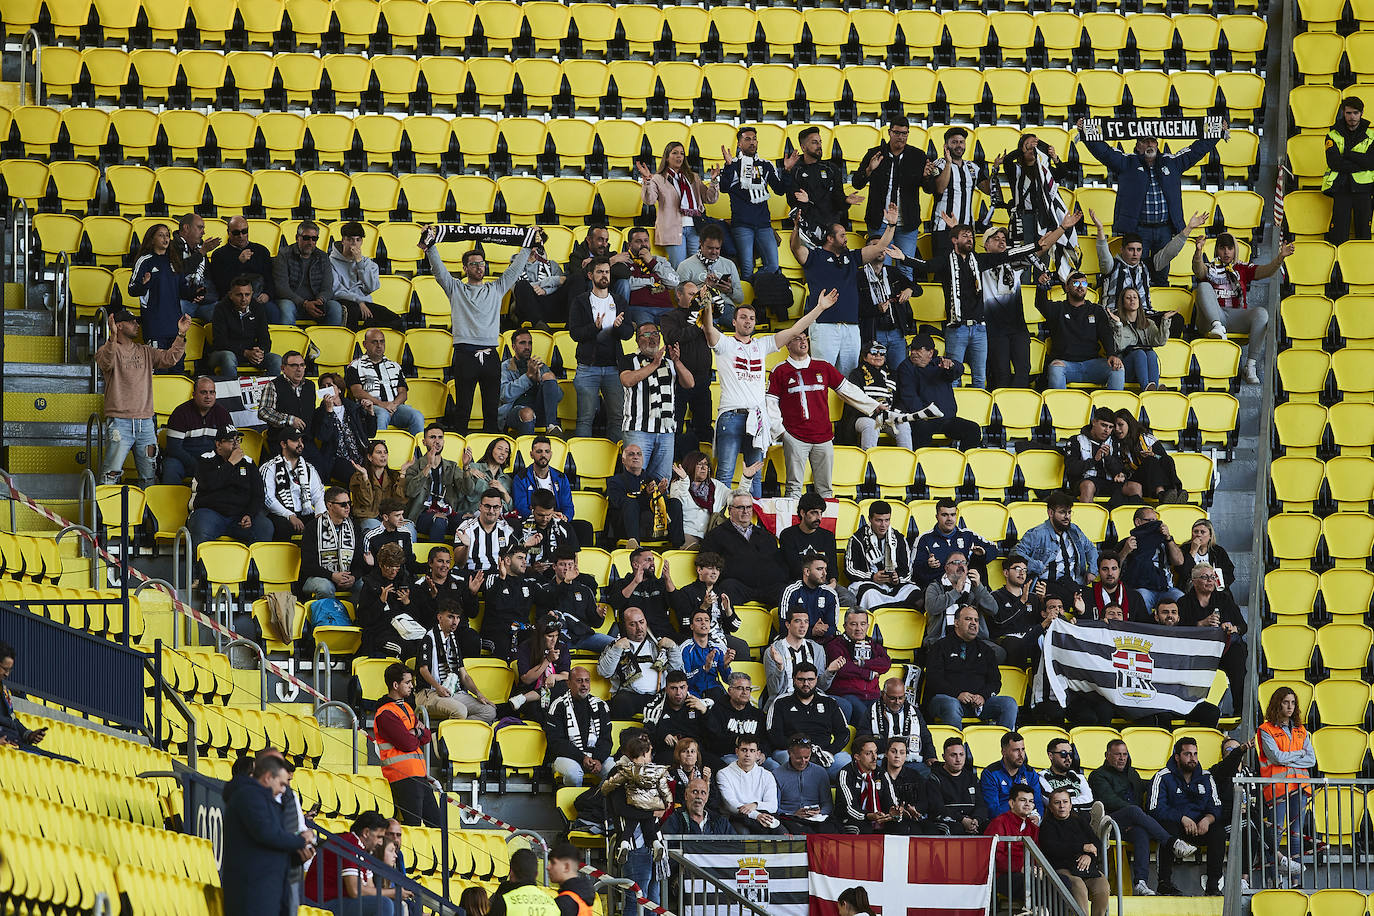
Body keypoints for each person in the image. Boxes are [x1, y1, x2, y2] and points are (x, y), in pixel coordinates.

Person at [909, 212, 1079, 389]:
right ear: (986, 244)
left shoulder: (1015, 265)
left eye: (1004, 238)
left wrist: (1062, 228)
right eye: (996, 238)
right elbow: (963, 253)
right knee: (1000, 376)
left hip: (1018, 328)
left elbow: (1041, 247)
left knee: (1023, 372)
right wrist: (955, 230)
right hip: (993, 330)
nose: (1002, 241)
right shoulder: (978, 265)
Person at [705, 293, 839, 498]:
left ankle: (755, 525)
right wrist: (706, 306)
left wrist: (820, 308)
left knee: (755, 475)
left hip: (757, 419)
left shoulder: (762, 344)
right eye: (743, 317)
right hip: (731, 415)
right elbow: (708, 329)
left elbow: (795, 330)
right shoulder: (725, 343)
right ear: (734, 321)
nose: (747, 321)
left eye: (751, 318)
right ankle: (720, 523)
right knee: (725, 473)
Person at [420, 229, 531, 433]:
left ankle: (491, 452)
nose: (479, 267)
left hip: (490, 355)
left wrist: (528, 245)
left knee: (491, 409)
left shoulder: (496, 288)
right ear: (465, 268)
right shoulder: (456, 289)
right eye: (474, 264)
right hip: (465, 355)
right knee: (463, 409)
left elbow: (514, 271)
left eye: (481, 263)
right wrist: (430, 246)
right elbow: (439, 271)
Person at [1077, 120, 1225, 272]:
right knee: (1133, 270)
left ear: (1157, 144)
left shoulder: (1172, 162)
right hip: (1137, 229)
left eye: (1152, 141)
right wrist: (1086, 132)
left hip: (1165, 229)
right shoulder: (1127, 162)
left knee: (1161, 273)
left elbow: (1196, 150)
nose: (1149, 145)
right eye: (1144, 141)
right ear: (1137, 145)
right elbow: (1105, 152)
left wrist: (1216, 132)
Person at [789, 202, 900, 376]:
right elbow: (796, 248)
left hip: (851, 327)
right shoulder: (815, 256)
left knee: (849, 379)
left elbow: (879, 247)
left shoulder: (853, 257)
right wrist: (796, 228)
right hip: (824, 325)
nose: (846, 238)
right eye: (842, 235)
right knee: (822, 376)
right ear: (830, 238)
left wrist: (891, 225)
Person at [767, 330, 882, 497]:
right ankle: (793, 522)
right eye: (797, 339)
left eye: (805, 338)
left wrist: (873, 404)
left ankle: (824, 523)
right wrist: (781, 433)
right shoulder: (780, 370)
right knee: (793, 488)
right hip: (795, 436)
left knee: (826, 489)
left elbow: (847, 390)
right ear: (787, 344)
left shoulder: (823, 366)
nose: (803, 342)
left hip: (824, 437)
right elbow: (770, 403)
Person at [97, 309, 189, 486]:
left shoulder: (146, 351)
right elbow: (105, 362)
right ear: (119, 325)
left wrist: (181, 334)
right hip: (119, 422)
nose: (136, 325)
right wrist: (112, 338)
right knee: (111, 474)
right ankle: (104, 513)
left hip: (145, 422)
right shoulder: (107, 349)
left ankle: (146, 512)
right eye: (132, 322)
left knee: (149, 476)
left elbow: (170, 359)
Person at [1192, 232, 1292, 384]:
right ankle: (1217, 327)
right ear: (1216, 250)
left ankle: (1250, 366)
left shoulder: (1242, 268)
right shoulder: (1210, 267)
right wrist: (1198, 251)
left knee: (1262, 313)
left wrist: (1280, 258)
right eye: (1222, 248)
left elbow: (1266, 271)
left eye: (1230, 248)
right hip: (1211, 320)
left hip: (1235, 316)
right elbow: (1198, 271)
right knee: (1203, 285)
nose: (1226, 252)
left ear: (1235, 250)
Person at [222, 754, 313, 916]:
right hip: (253, 892)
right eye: (282, 784)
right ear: (268, 777)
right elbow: (267, 834)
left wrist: (295, 858)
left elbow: (266, 848)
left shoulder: (264, 800)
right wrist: (300, 841)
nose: (284, 790)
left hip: (268, 889)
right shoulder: (249, 797)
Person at [1088, 738, 1174, 897]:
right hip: (1108, 825)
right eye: (1117, 754)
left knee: (1141, 832)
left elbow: (1147, 788)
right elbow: (1109, 800)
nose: (1122, 758)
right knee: (1134, 811)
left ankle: (1140, 882)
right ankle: (1170, 842)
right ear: (1107, 755)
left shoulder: (1132, 773)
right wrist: (1133, 815)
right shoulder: (1097, 775)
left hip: (1131, 824)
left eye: (1125, 754)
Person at [851, 116, 933, 272]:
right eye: (897, 132)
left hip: (907, 223)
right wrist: (869, 169)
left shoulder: (918, 156)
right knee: (880, 267)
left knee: (906, 268)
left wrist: (926, 177)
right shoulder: (874, 153)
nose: (901, 137)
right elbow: (856, 183)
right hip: (879, 221)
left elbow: (929, 189)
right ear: (889, 132)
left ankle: (904, 298)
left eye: (904, 133)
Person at [1090, 208, 1205, 315]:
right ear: (1122, 249)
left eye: (1138, 250)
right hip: (1116, 315)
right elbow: (1103, 253)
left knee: (1176, 319)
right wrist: (1100, 229)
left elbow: (1169, 252)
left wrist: (1188, 228)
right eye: (1131, 249)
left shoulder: (1147, 265)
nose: (1135, 254)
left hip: (1144, 316)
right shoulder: (1112, 266)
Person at [1148, 737, 1225, 895]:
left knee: (1218, 831)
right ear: (1177, 757)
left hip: (1200, 828)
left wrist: (1207, 819)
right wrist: (1181, 818)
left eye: (1195, 754)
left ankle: (1213, 886)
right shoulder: (1163, 776)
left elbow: (1216, 806)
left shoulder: (1206, 777)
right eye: (1188, 754)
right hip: (1176, 828)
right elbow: (1154, 808)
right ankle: (1165, 884)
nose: (1193, 758)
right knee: (1166, 828)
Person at [569, 256, 635, 439]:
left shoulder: (620, 300)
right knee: (585, 418)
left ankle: (614, 463)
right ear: (590, 275)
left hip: (615, 368)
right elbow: (575, 334)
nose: (604, 275)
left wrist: (618, 327)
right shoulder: (580, 301)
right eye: (600, 272)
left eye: (607, 271)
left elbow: (628, 333)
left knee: (618, 417)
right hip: (587, 367)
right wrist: (594, 327)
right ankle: (584, 464)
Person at [620, 322, 694, 483]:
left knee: (663, 481)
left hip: (666, 431)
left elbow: (690, 383)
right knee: (635, 478)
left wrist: (678, 362)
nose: (652, 338)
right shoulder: (630, 359)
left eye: (655, 334)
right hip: (638, 429)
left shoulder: (670, 362)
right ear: (637, 340)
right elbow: (627, 380)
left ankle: (659, 508)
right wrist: (654, 364)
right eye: (646, 335)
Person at [926, 605, 1018, 729]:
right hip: (947, 700)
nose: (973, 623)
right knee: (952, 705)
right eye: (968, 619)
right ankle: (956, 747)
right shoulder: (940, 646)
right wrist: (957, 694)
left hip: (978, 704)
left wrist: (983, 696)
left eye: (976, 620)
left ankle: (1006, 746)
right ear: (956, 622)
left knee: (1009, 703)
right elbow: (933, 679)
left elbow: (995, 682)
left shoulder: (986, 650)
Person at [721, 127, 793, 279]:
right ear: (739, 144)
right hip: (742, 225)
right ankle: (749, 300)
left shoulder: (766, 165)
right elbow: (724, 188)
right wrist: (727, 167)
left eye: (754, 139)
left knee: (773, 265)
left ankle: (756, 288)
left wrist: (786, 171)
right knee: (747, 268)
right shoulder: (732, 164)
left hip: (764, 225)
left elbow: (780, 190)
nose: (752, 142)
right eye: (747, 139)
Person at [373, 662, 439, 827]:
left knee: (438, 826)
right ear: (395, 685)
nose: (412, 686)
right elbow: (407, 743)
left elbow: (427, 736)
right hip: (403, 777)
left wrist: (415, 733)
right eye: (408, 683)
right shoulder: (385, 714)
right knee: (413, 826)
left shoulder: (407, 708)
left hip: (418, 775)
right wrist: (417, 733)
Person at [188, 424, 274, 548]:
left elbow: (258, 495)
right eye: (231, 441)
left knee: (265, 527)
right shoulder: (205, 459)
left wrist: (249, 514)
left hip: (240, 517)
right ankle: (202, 567)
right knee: (201, 524)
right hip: (211, 513)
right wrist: (231, 463)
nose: (236, 444)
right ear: (218, 444)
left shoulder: (248, 463)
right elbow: (210, 484)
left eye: (237, 440)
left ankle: (253, 567)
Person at [638, 141, 720, 268]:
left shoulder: (693, 177)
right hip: (672, 230)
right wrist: (647, 182)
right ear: (666, 157)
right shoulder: (658, 178)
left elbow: (709, 198)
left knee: (697, 267)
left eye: (682, 153)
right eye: (675, 153)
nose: (679, 156)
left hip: (694, 229)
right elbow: (649, 200)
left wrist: (714, 181)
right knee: (679, 267)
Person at [1178, 563, 1248, 711]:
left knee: (1238, 658)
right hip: (1196, 651)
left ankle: (1240, 710)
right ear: (1194, 581)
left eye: (1212, 577)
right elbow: (1179, 631)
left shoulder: (1224, 598)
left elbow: (1243, 626)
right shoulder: (1183, 603)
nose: (1210, 581)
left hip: (1224, 649)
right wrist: (1201, 624)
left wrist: (1232, 628)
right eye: (1205, 577)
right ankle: (1190, 709)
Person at [699, 490, 788, 605]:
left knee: (786, 591)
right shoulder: (716, 535)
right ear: (730, 510)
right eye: (740, 507)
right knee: (727, 588)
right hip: (737, 588)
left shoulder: (767, 537)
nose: (746, 511)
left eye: (749, 507)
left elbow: (779, 565)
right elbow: (706, 563)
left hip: (767, 588)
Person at [1039, 272, 1124, 391]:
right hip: (1066, 365)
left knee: (1118, 367)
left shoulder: (1096, 310)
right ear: (1067, 287)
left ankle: (1112, 408)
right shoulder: (1058, 308)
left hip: (1092, 364)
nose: (1080, 286)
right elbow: (1041, 305)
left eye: (1084, 283)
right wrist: (1041, 287)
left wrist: (1112, 354)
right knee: (1055, 368)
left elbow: (1106, 334)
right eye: (1075, 283)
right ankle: (1058, 408)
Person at [896, 333, 982, 448]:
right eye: (912, 349)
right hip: (923, 419)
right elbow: (909, 397)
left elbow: (958, 369)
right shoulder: (905, 367)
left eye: (918, 350)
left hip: (947, 419)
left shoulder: (940, 363)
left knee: (973, 429)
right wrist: (924, 414)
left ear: (930, 352)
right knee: (922, 430)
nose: (913, 353)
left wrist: (951, 366)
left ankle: (962, 463)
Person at [659, 282, 715, 455]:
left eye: (697, 294)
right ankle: (673, 465)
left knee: (704, 425)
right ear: (679, 294)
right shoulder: (669, 317)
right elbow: (674, 337)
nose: (695, 298)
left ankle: (703, 466)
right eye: (691, 294)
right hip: (678, 380)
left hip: (703, 379)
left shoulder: (704, 315)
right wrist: (697, 326)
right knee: (675, 423)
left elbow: (713, 335)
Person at [415, 604, 497, 723]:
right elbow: (423, 670)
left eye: (458, 618)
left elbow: (463, 675)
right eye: (451, 617)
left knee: (489, 711)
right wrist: (438, 687)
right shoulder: (429, 638)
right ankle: (444, 737)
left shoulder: (453, 640)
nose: (455, 622)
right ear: (439, 617)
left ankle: (453, 730)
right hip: (429, 692)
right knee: (460, 711)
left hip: (452, 692)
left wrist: (479, 694)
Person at [766, 663, 852, 777]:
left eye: (810, 679)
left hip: (824, 752)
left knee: (845, 762)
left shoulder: (829, 702)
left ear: (816, 679)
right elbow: (773, 733)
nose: (806, 684)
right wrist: (800, 750)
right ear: (794, 680)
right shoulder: (781, 702)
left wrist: (829, 751)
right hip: (790, 752)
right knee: (792, 761)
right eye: (801, 680)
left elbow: (844, 732)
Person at [599, 606, 684, 718]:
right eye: (633, 624)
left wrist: (673, 648)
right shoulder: (614, 645)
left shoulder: (657, 644)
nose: (639, 628)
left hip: (658, 696)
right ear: (624, 626)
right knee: (621, 702)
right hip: (630, 696)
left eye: (641, 622)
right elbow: (604, 672)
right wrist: (617, 648)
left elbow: (676, 672)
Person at [600, 732, 673, 863]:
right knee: (638, 884)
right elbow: (621, 808)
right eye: (649, 751)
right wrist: (654, 812)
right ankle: (626, 845)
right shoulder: (619, 771)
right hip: (636, 849)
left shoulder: (649, 770)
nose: (651, 755)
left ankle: (655, 844)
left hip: (649, 847)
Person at [1016, 491, 1099, 605]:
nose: (1067, 517)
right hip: (1048, 584)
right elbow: (1016, 553)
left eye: (1069, 512)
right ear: (1050, 513)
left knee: (1096, 599)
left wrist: (1092, 571)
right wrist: (1037, 566)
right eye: (1062, 512)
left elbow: (1091, 548)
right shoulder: (1037, 533)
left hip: (1073, 583)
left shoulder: (1074, 530)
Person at [1000, 133, 1077, 255]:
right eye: (1028, 146)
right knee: (1024, 256)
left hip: (1042, 217)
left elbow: (1062, 173)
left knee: (1042, 254)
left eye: (1034, 146)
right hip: (1024, 217)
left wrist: (1053, 156)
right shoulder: (1015, 170)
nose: (1032, 149)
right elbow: (1008, 160)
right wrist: (1023, 149)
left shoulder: (1044, 170)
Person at [786, 124, 862, 247]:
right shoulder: (796, 170)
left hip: (831, 230)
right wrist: (805, 203)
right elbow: (792, 202)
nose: (819, 145)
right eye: (815, 142)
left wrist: (846, 201)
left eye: (820, 142)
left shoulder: (831, 169)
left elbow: (839, 201)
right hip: (808, 230)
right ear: (803, 147)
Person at [129, 223, 199, 352]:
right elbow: (132, 290)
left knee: (177, 368)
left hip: (175, 325)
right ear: (151, 239)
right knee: (158, 368)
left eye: (167, 235)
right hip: (155, 324)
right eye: (161, 235)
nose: (165, 239)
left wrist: (195, 293)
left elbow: (183, 290)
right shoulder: (144, 261)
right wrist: (144, 284)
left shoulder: (174, 261)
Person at [477, 543, 553, 660]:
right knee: (504, 644)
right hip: (495, 633)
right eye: (520, 558)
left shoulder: (528, 582)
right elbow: (495, 604)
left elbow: (548, 600)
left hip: (521, 630)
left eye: (525, 558)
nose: (525, 562)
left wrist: (564, 583)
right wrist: (502, 579)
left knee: (541, 639)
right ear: (507, 560)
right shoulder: (493, 578)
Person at [1040, 788, 1110, 916]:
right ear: (1050, 807)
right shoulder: (1047, 825)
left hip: (1086, 868)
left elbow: (1096, 844)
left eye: (1065, 802)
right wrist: (1082, 847)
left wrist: (1089, 856)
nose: (1062, 806)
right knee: (1078, 885)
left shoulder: (1079, 821)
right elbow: (1053, 848)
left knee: (1102, 886)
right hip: (1062, 868)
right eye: (1057, 802)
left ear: (1071, 805)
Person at [927, 126, 991, 260]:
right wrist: (949, 164)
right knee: (945, 270)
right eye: (954, 142)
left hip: (967, 229)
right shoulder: (938, 164)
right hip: (943, 229)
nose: (959, 145)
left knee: (966, 271)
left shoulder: (972, 167)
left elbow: (988, 190)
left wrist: (995, 170)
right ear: (946, 145)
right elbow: (939, 188)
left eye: (961, 142)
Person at [670, 552, 748, 660]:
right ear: (699, 570)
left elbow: (735, 627)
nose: (714, 572)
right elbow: (685, 625)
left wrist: (728, 610)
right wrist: (703, 608)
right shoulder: (687, 592)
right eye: (710, 568)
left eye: (717, 569)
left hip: (720, 637)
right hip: (697, 638)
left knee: (742, 647)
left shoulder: (722, 594)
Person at [544, 666, 614, 787]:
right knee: (573, 773)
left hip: (595, 757)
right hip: (567, 757)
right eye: (579, 680)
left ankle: (598, 801)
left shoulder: (601, 705)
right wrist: (582, 757)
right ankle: (573, 804)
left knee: (614, 771)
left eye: (587, 680)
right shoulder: (558, 706)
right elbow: (556, 742)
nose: (584, 685)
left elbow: (606, 739)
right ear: (569, 683)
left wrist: (598, 759)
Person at [846, 500, 921, 611]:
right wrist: (873, 577)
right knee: (870, 594)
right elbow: (850, 569)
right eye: (879, 520)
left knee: (917, 594)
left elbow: (907, 570)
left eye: (887, 520)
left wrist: (897, 578)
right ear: (870, 519)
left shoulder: (899, 538)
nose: (883, 525)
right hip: (869, 583)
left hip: (895, 585)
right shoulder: (857, 539)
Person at [347, 329, 423, 436]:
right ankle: (378, 450)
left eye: (382, 341)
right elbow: (357, 392)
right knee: (382, 414)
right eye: (374, 342)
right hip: (369, 408)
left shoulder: (395, 366)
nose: (379, 345)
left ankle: (418, 451)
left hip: (394, 407)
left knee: (417, 415)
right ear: (365, 344)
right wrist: (382, 404)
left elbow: (403, 392)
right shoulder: (355, 366)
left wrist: (393, 405)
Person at [607, 444, 682, 550]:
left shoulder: (652, 479)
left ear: (642, 459)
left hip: (653, 524)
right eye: (631, 454)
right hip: (626, 527)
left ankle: (677, 546)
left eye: (639, 454)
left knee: (674, 502)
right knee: (630, 502)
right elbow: (618, 503)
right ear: (623, 461)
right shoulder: (615, 481)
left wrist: (659, 494)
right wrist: (645, 495)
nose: (635, 457)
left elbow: (662, 505)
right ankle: (634, 545)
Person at [825, 608, 892, 723]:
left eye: (862, 624)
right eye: (853, 624)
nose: (859, 629)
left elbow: (886, 663)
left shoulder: (874, 645)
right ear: (845, 626)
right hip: (847, 696)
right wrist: (868, 673)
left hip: (873, 696)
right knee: (868, 719)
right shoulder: (835, 645)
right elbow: (843, 669)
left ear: (867, 626)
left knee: (890, 718)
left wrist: (863, 663)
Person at [668, 451, 746, 549]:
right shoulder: (678, 483)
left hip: (710, 535)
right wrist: (684, 480)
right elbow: (678, 503)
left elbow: (737, 499)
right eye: (699, 464)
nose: (704, 468)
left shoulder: (716, 485)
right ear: (690, 465)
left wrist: (746, 479)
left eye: (706, 464)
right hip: (686, 534)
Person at [162, 376, 232, 484]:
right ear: (194, 394)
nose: (208, 396)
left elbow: (229, 445)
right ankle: (169, 500)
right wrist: (197, 465)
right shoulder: (180, 413)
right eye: (203, 392)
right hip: (185, 461)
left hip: (212, 461)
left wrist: (212, 462)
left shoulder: (222, 413)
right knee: (171, 466)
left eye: (212, 392)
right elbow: (174, 448)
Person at [330, 222, 399, 331]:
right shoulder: (330, 262)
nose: (354, 244)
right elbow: (336, 290)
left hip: (365, 303)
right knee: (353, 311)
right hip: (344, 302)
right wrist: (358, 301)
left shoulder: (367, 263)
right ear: (343, 240)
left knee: (395, 320)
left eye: (358, 240)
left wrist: (359, 263)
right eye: (350, 240)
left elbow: (372, 287)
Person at [208, 275, 279, 380]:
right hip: (223, 353)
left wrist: (260, 351)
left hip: (250, 353)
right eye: (239, 295)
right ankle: (232, 394)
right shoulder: (220, 309)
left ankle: (270, 393)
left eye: (247, 295)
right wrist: (245, 352)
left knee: (276, 359)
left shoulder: (258, 308)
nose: (244, 299)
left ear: (252, 294)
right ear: (230, 295)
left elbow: (265, 339)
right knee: (229, 357)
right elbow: (220, 342)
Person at [911, 499, 996, 588]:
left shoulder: (967, 535)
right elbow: (914, 570)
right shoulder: (924, 539)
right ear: (937, 517)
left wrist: (983, 553)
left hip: (966, 586)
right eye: (944, 515)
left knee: (978, 561)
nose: (949, 519)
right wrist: (928, 566)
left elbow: (993, 548)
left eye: (952, 514)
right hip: (939, 589)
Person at [262, 428, 327, 541]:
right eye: (295, 441)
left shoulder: (309, 468)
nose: (300, 444)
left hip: (304, 513)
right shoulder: (270, 467)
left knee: (323, 526)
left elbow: (318, 495)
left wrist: (320, 514)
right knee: (283, 527)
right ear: (283, 444)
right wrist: (289, 515)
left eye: (301, 440)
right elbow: (268, 498)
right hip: (280, 514)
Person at [701, 671, 773, 772]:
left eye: (748, 689)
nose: (744, 692)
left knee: (774, 766)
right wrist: (737, 743)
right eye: (740, 688)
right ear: (730, 691)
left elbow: (766, 739)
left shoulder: (757, 714)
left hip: (754, 756)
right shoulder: (718, 711)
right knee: (738, 769)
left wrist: (764, 753)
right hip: (730, 756)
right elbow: (713, 742)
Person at [765, 605, 834, 710]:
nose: (803, 625)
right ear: (788, 624)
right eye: (798, 621)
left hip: (812, 699)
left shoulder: (817, 649)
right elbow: (774, 690)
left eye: (806, 622)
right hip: (784, 700)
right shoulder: (774, 651)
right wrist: (780, 667)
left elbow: (821, 686)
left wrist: (829, 672)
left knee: (842, 706)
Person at [675, 223, 744, 328]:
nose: (714, 252)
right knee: (707, 333)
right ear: (700, 244)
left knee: (745, 328)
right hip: (700, 308)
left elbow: (740, 298)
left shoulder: (729, 264)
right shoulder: (685, 265)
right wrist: (705, 288)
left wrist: (729, 290)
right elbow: (679, 298)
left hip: (725, 307)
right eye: (710, 248)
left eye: (717, 248)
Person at [1325, 96, 1374, 243]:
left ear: (1361, 113)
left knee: (1364, 233)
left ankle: (1363, 265)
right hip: (1341, 188)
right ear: (1343, 113)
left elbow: (1371, 163)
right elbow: (1334, 163)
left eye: (1356, 113)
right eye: (1348, 113)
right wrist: (1360, 161)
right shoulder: (1332, 134)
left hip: (1364, 190)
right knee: (1338, 234)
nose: (1352, 116)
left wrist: (1347, 154)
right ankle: (1339, 265)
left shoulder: (1371, 136)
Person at [357, 543, 420, 657]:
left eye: (397, 567)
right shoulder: (370, 584)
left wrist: (407, 603)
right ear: (381, 564)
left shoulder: (403, 581)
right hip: (380, 633)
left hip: (405, 629)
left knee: (424, 644)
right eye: (389, 566)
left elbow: (417, 616)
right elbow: (364, 620)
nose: (393, 571)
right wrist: (380, 602)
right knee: (404, 648)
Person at [923, 552, 998, 647]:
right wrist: (956, 591)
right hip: (942, 640)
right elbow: (932, 608)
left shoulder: (975, 587)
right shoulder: (935, 587)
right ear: (946, 568)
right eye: (956, 562)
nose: (961, 565)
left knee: (999, 653)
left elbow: (993, 609)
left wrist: (979, 587)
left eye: (964, 562)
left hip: (975, 641)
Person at [398, 425, 460, 541]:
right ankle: (438, 557)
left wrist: (467, 469)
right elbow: (411, 492)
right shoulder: (414, 466)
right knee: (439, 521)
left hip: (447, 512)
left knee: (465, 521)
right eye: (432, 437)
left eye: (440, 437)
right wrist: (428, 467)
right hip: (421, 515)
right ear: (424, 442)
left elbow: (467, 490)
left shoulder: (452, 466)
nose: (437, 441)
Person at [498, 329, 563, 437]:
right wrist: (528, 377)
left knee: (548, 376)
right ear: (513, 347)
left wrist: (540, 382)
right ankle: (527, 447)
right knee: (527, 413)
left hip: (540, 411)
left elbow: (559, 396)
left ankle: (551, 426)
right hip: (514, 412)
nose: (527, 347)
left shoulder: (540, 366)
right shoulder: (505, 366)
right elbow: (504, 395)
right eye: (522, 343)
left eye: (530, 343)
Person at [299, 486, 361, 600]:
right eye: (343, 504)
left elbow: (359, 560)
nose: (347, 507)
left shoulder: (354, 527)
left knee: (363, 584)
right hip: (318, 578)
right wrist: (332, 576)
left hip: (347, 577)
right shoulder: (313, 527)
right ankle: (329, 617)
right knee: (325, 587)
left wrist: (354, 577)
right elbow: (308, 565)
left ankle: (356, 617)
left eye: (349, 503)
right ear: (330, 505)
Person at [273, 220, 339, 326]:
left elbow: (327, 287)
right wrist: (304, 303)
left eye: (314, 239)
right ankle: (287, 341)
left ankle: (329, 342)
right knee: (286, 307)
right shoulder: (284, 255)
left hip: (316, 303)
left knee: (335, 307)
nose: (310, 242)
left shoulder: (322, 256)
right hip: (292, 301)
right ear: (297, 237)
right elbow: (281, 288)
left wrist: (320, 300)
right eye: (306, 238)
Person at [835, 736, 905, 835]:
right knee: (865, 829)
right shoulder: (845, 774)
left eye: (875, 752)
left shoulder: (882, 773)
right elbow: (850, 808)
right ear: (857, 756)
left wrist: (894, 813)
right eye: (868, 753)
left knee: (902, 828)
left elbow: (891, 801)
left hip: (879, 819)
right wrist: (868, 816)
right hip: (852, 820)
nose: (874, 757)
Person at [1120, 506, 1185, 612]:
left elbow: (1179, 561)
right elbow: (1115, 567)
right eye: (1150, 521)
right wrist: (1125, 551)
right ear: (1138, 522)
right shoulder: (1128, 542)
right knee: (1141, 597)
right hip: (1142, 588)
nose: (1155, 525)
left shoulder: (1164, 541)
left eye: (1156, 521)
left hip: (1166, 589)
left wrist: (1169, 538)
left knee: (1181, 598)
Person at [868, 678, 937, 777]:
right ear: (883, 695)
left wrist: (931, 756)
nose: (897, 702)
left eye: (901, 698)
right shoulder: (872, 711)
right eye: (892, 698)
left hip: (911, 762)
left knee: (930, 774)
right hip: (883, 761)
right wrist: (887, 744)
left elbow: (926, 737)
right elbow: (863, 739)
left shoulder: (914, 711)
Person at [716, 735, 785, 835]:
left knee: (782, 833)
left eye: (752, 751)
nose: (747, 754)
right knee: (745, 833)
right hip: (735, 818)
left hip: (764, 816)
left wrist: (755, 805)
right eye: (744, 750)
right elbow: (731, 805)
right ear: (737, 751)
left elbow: (773, 806)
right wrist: (756, 815)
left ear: (758, 754)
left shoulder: (767, 775)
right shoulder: (723, 774)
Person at [1113, 410, 1184, 505]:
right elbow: (1121, 467)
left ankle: (1175, 491)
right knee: (1150, 460)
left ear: (1129, 424)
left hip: (1153, 479)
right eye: (1115, 426)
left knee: (1167, 459)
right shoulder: (1114, 443)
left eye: (1120, 425)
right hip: (1135, 480)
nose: (1117, 429)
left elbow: (1161, 458)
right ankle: (1161, 494)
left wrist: (1154, 455)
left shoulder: (1147, 438)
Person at [849, 342, 912, 448]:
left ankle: (907, 461)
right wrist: (874, 408)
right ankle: (868, 462)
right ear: (865, 357)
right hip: (864, 416)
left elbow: (900, 399)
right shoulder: (856, 374)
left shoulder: (893, 374)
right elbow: (855, 399)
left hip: (889, 417)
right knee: (871, 425)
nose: (878, 356)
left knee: (903, 424)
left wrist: (895, 413)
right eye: (873, 352)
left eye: (882, 353)